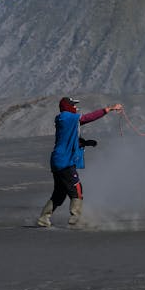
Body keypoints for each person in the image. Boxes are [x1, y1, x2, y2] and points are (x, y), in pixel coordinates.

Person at [36, 97, 123, 228]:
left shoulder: (63, 119)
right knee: (77, 189)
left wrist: (85, 143)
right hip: (64, 162)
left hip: (57, 161)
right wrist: (109, 109)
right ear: (68, 107)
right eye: (74, 105)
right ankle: (76, 218)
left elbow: (68, 138)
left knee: (59, 193)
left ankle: (44, 218)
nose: (76, 107)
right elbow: (88, 117)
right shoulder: (68, 117)